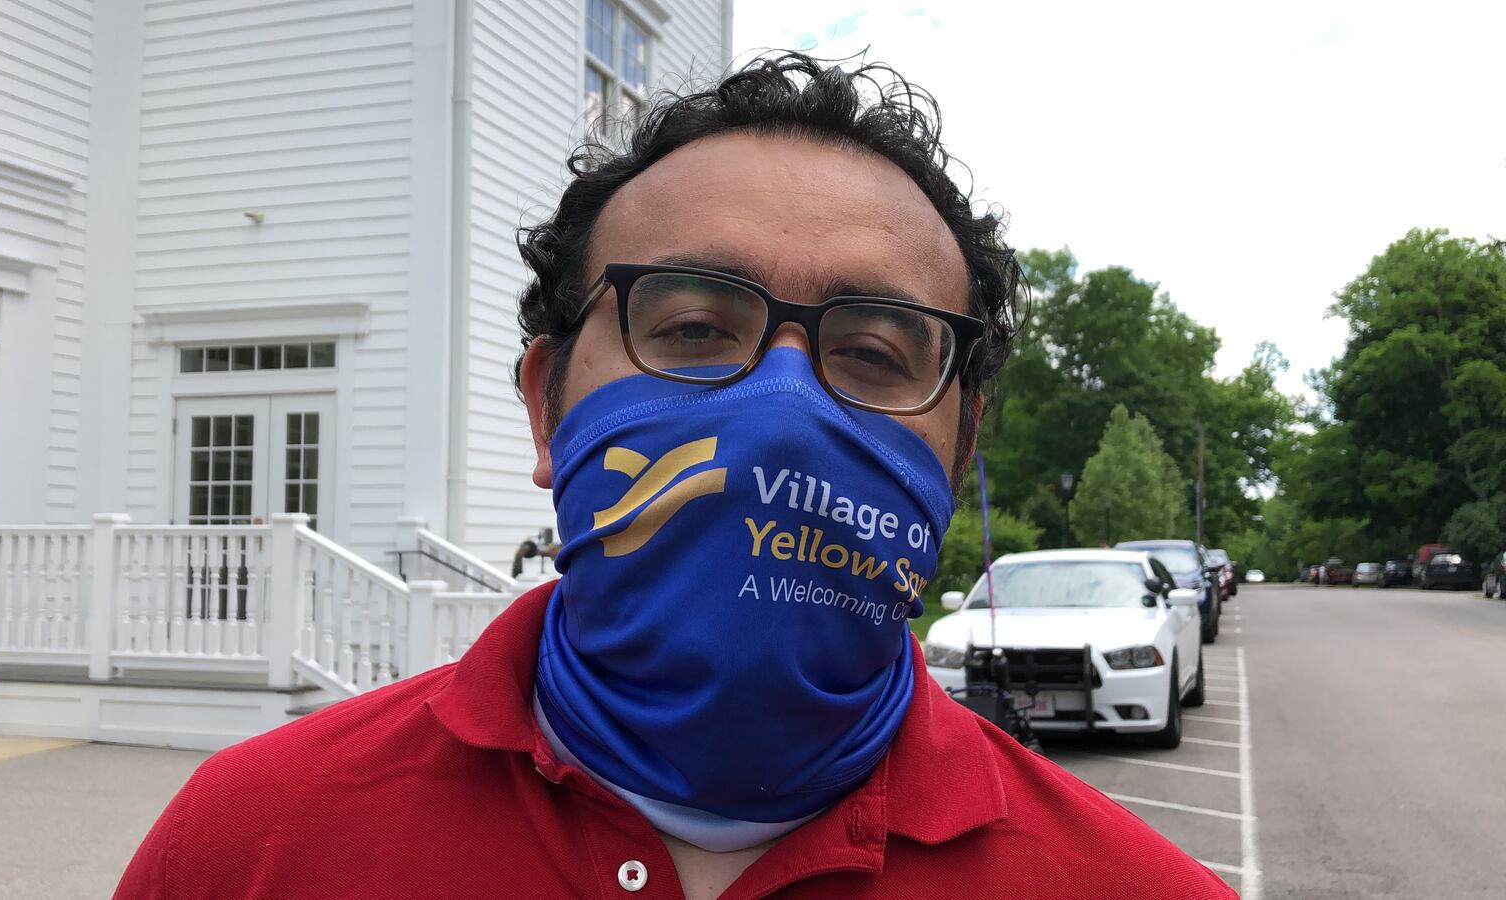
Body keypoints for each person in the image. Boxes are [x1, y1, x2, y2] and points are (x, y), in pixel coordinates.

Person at [114, 53, 1236, 899]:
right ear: (547, 402)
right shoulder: (250, 845)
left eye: (872, 353)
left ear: (959, 446)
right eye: (694, 327)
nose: (785, 415)